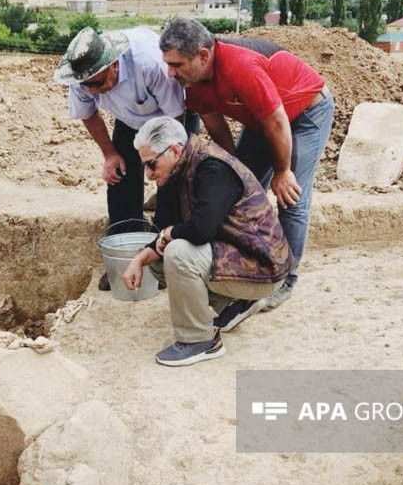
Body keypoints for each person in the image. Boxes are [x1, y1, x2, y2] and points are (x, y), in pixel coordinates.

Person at [157, 17, 334, 316]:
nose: (170, 73)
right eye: (168, 64)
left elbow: (278, 121)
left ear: (203, 55)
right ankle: (246, 263)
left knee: (290, 196)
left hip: (304, 115)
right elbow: (215, 124)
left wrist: (282, 170)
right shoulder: (194, 81)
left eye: (176, 65)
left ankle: (285, 279)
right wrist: (232, 168)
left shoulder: (241, 66)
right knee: (238, 189)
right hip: (261, 118)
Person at [120, 116, 293, 367]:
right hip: (237, 255)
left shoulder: (213, 167)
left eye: (151, 164)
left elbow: (201, 230)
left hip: (263, 266)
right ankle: (233, 304)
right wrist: (140, 258)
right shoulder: (174, 171)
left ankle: (199, 340)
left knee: (178, 253)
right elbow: (165, 229)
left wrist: (168, 237)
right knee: (160, 257)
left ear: (175, 150)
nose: (148, 174)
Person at [54, 25, 188, 290]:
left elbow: (176, 115)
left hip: (170, 117)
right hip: (129, 119)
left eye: (97, 84)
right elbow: (88, 113)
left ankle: (162, 260)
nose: (91, 91)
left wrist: (164, 163)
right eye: (86, 85)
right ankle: (123, 259)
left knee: (173, 183)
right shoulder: (84, 75)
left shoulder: (150, 64)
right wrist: (109, 154)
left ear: (114, 64)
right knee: (120, 177)